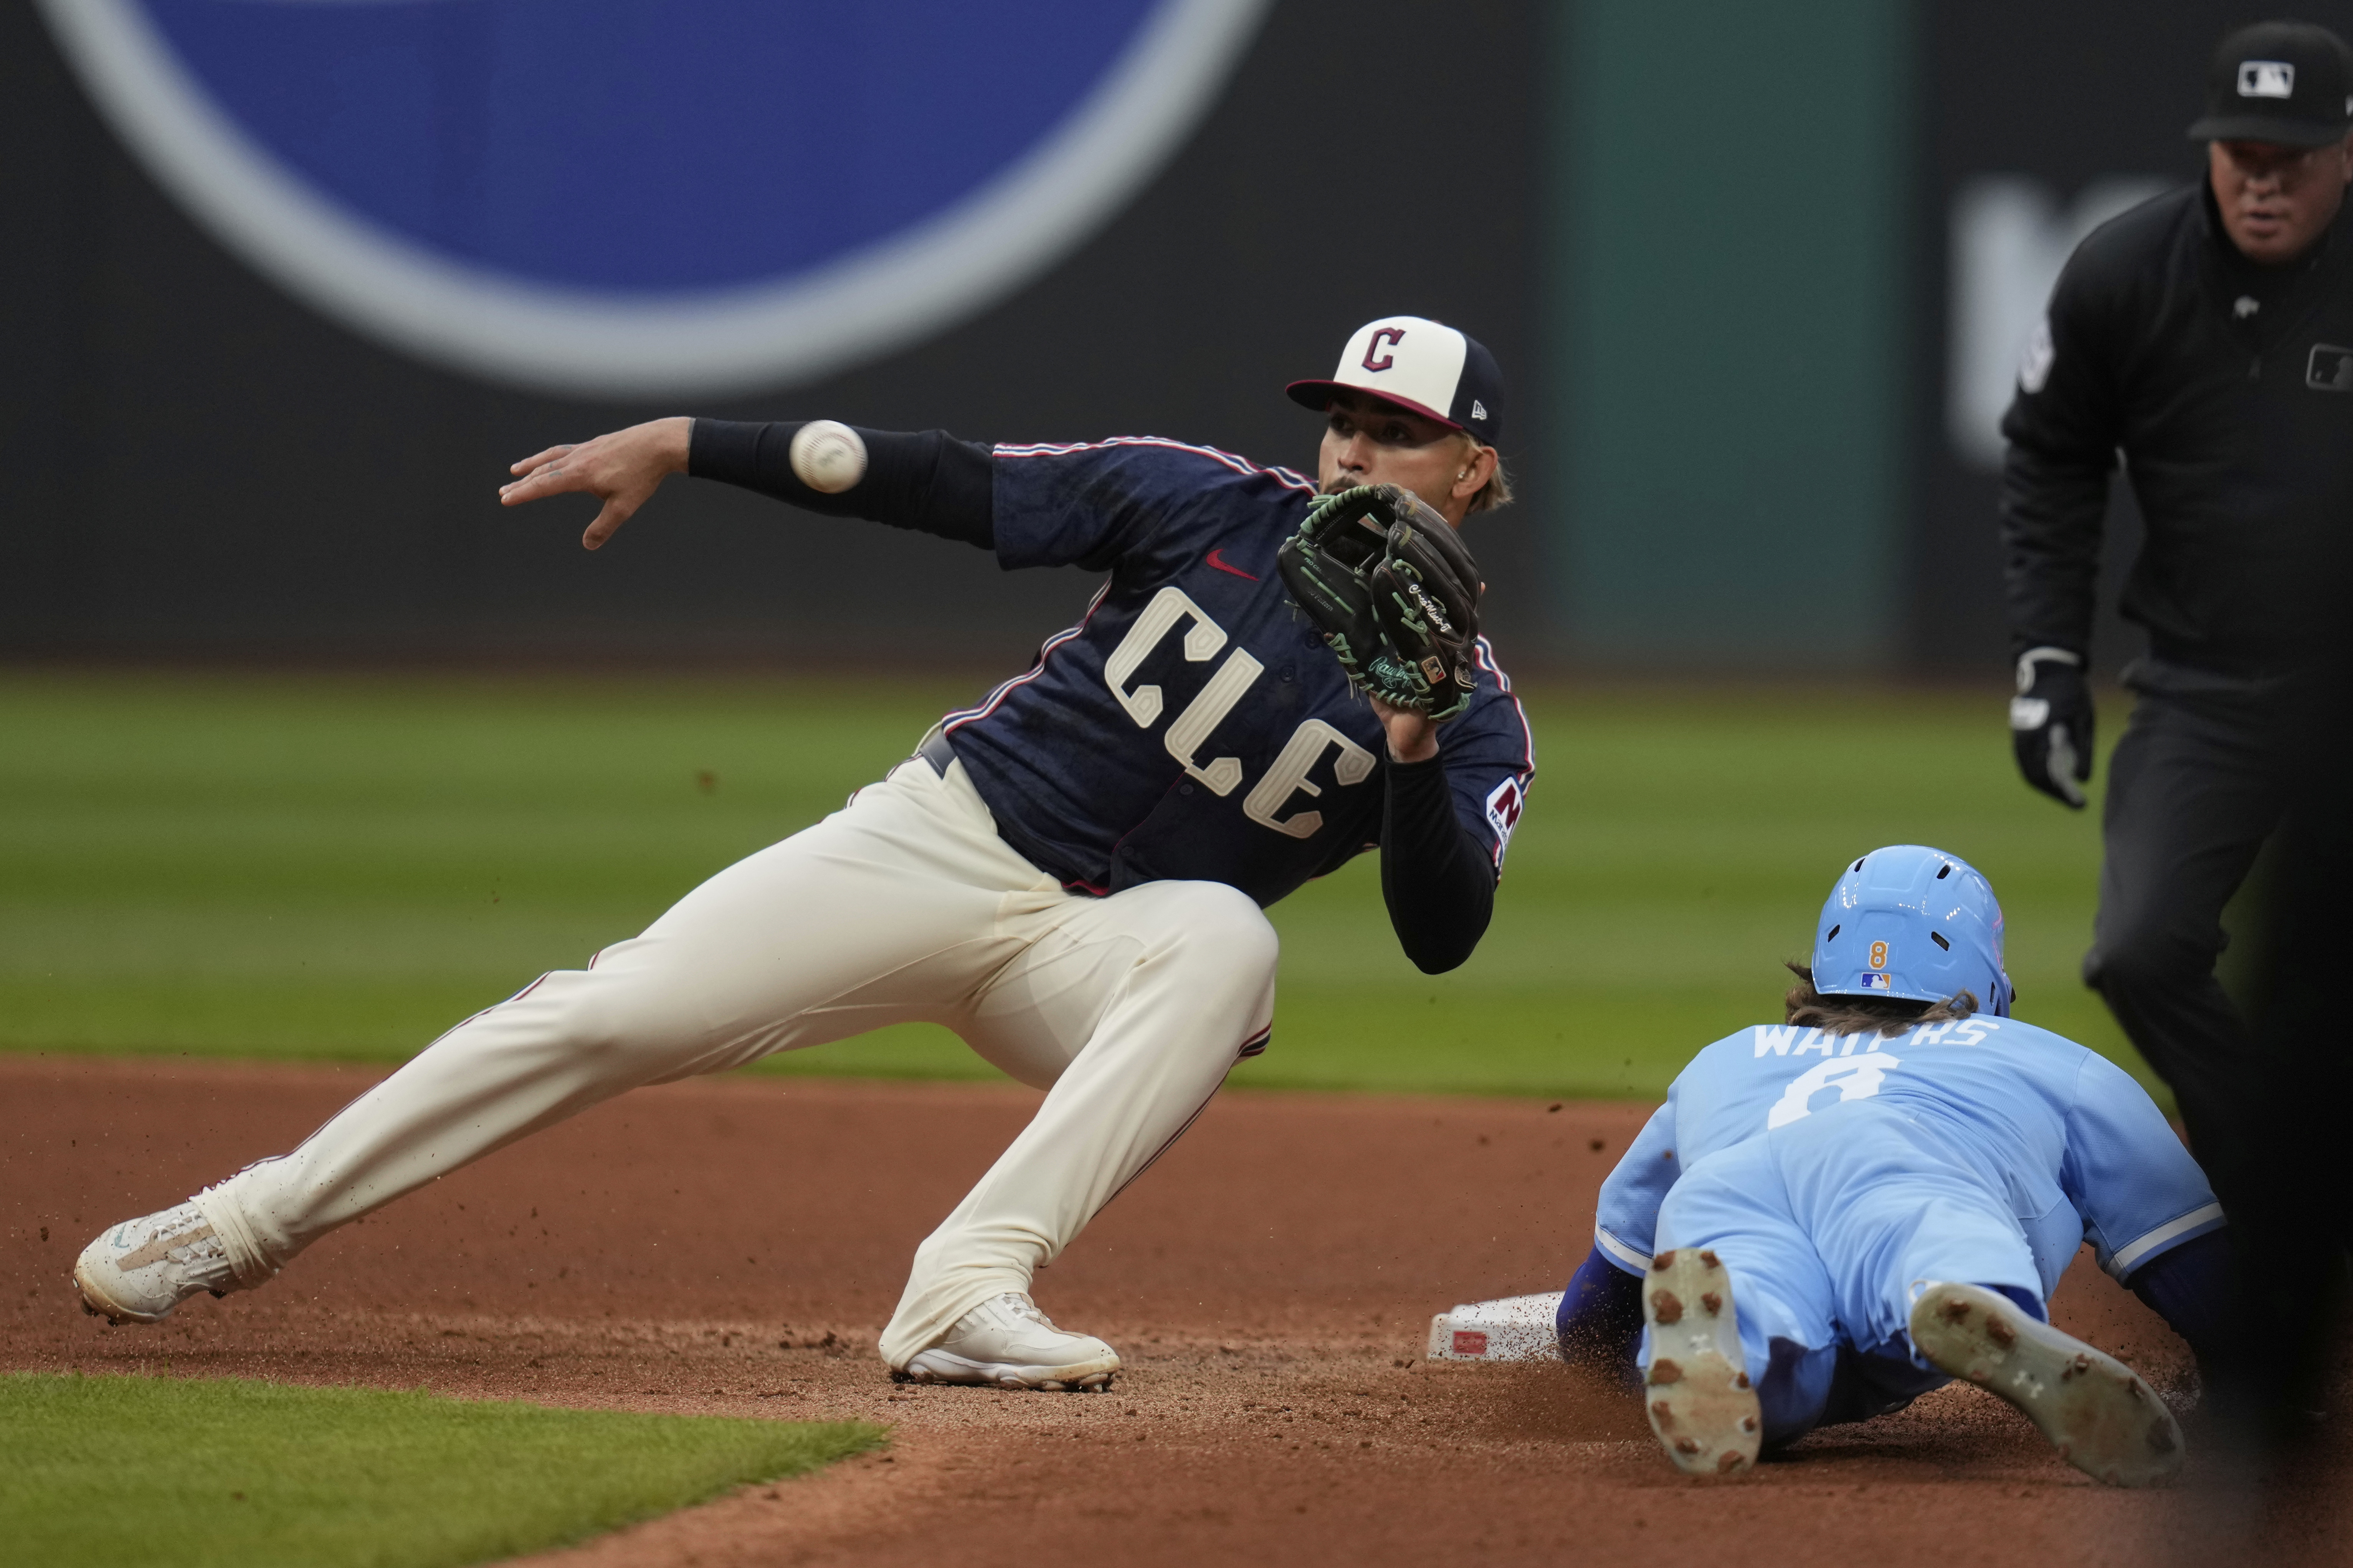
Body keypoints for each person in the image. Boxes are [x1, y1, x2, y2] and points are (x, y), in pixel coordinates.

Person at [70, 315, 1537, 1391]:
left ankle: (966, 1287)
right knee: (619, 1008)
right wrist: (690, 444)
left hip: (1094, 961)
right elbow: (942, 479)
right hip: (945, 841)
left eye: (1394, 430)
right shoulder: (1201, 499)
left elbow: (1442, 930)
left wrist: (1411, 743)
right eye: (1342, 418)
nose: (1352, 447)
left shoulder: (1472, 714)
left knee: (1233, 942)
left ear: (1470, 468)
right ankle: (246, 1220)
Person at [1553, 847, 2229, 1486]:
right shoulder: (2053, 1062)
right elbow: (2196, 1269)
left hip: (1731, 1189)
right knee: (1931, 1235)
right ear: (1983, 972)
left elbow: (1593, 1313)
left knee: (1759, 1298)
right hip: (1909, 1168)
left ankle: (1737, 1345)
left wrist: (1605, 1370)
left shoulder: (1727, 1060)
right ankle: (1966, 1289)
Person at [1999, 20, 2353, 1217]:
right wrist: (2049, 659)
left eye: (2291, 156)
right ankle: (2286, 1184)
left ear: (2344, 154)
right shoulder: (2123, 271)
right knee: (2139, 949)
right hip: (2208, 682)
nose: (2262, 179)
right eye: (2240, 151)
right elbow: (2049, 459)